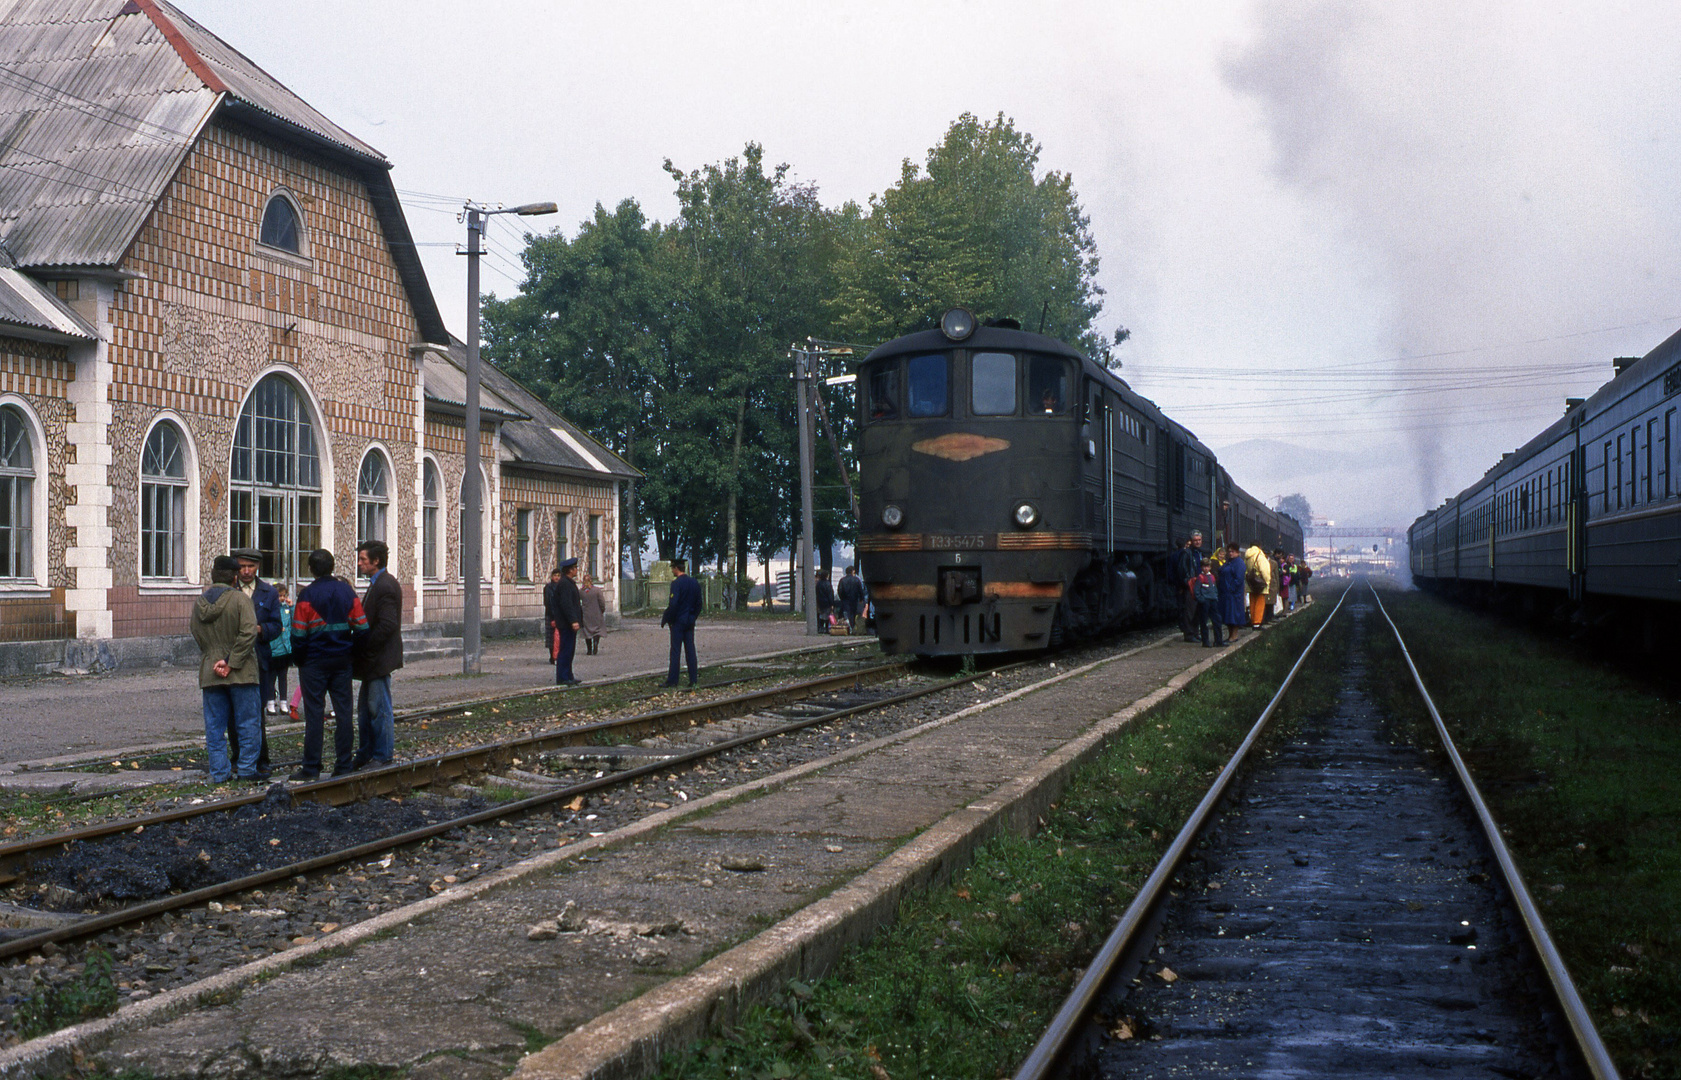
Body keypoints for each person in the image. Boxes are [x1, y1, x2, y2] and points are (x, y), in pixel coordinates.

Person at [289, 548, 367, 781]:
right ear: (333, 567)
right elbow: (362, 627)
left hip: (314, 661)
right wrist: (350, 650)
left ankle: (311, 767)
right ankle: (343, 765)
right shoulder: (347, 591)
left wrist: (300, 659)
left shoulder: (307, 595)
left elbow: (298, 634)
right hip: (342, 660)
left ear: (311, 569)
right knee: (344, 713)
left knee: (314, 715)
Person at [189, 555, 264, 782]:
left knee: (215, 726)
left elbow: (196, 632)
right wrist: (231, 662)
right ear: (235, 577)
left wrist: (216, 657)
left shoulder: (200, 603)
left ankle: (219, 773)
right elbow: (249, 632)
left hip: (211, 671)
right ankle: (247, 770)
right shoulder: (241, 600)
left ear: (213, 576)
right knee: (248, 723)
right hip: (242, 672)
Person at [352, 540, 404, 771]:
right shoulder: (379, 583)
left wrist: (367, 647)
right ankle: (367, 753)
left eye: (363, 559)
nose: (360, 563)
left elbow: (387, 625)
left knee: (378, 708)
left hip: (378, 660)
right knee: (366, 709)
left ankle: (382, 755)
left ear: (376, 561)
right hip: (373, 660)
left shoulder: (385, 586)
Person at [232, 547, 281, 770]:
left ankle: (262, 758)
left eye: (250, 566)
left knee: (256, 710)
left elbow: (277, 626)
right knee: (234, 711)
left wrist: (261, 629)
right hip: (233, 657)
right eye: (242, 566)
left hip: (260, 657)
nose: (246, 571)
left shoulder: (268, 592)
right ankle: (238, 756)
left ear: (258, 567)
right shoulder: (230, 590)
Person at [660, 557, 702, 688]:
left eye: (672, 568)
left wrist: (669, 619)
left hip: (678, 622)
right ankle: (693, 679)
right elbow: (699, 603)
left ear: (676, 568)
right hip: (689, 621)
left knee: (675, 651)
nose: (672, 571)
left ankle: (673, 680)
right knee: (690, 650)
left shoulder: (676, 584)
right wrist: (693, 617)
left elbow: (674, 604)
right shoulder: (694, 582)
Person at [551, 558, 583, 684]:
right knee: (565, 649)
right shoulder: (565, 584)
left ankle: (568, 675)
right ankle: (563, 677)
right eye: (575, 568)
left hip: (567, 623)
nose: (577, 570)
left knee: (570, 650)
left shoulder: (568, 583)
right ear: (570, 570)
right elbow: (567, 604)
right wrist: (573, 620)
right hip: (566, 624)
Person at [1171, 533, 1204, 642]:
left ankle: (1195, 632)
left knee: (1197, 610)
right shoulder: (1187, 553)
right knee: (1190, 610)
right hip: (1191, 585)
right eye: (1195, 540)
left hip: (1199, 584)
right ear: (1191, 541)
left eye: (1199, 540)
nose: (1198, 542)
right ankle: (1189, 634)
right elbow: (1183, 570)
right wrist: (1187, 582)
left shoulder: (1199, 553)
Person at [269, 584, 293, 713]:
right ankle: (270, 702)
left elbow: (294, 622)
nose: (282, 598)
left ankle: (283, 702)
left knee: (283, 677)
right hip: (273, 648)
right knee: (271, 677)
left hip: (285, 648)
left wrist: (292, 607)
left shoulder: (286, 609)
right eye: (279, 596)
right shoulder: (270, 609)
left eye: (284, 595)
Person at [1217, 542, 1249, 641]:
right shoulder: (1228, 562)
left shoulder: (1239, 563)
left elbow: (1239, 579)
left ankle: (1234, 635)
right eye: (1229, 551)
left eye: (1233, 552)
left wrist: (1231, 589)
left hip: (1234, 594)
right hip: (1226, 593)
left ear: (1238, 552)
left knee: (1234, 615)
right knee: (1228, 615)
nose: (1230, 553)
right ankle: (1230, 635)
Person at [1192, 562, 1223, 647]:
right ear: (1201, 567)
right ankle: (1205, 642)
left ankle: (1218, 640)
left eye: (1207, 567)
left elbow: (1214, 588)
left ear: (1210, 567)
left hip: (1212, 600)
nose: (1206, 569)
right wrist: (1201, 599)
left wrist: (1215, 597)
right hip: (1205, 601)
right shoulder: (1200, 577)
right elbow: (1196, 590)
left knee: (1217, 620)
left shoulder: (1212, 577)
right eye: (1204, 567)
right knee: (1204, 622)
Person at [1242, 542, 1271, 630]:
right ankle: (1257, 623)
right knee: (1260, 602)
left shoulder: (1247, 556)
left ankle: (1253, 620)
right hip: (1259, 582)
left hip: (1251, 582)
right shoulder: (1260, 556)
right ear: (1260, 546)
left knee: (1252, 602)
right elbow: (1264, 570)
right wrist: (1267, 581)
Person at [580, 572, 607, 655]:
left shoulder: (581, 592)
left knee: (587, 631)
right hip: (596, 613)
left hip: (586, 614)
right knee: (597, 630)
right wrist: (601, 610)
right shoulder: (597, 591)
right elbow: (602, 602)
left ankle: (589, 649)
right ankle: (595, 644)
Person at [837, 566, 867, 634]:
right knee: (853, 614)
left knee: (846, 614)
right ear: (852, 571)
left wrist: (842, 598)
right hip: (854, 599)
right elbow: (860, 590)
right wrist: (861, 598)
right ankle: (853, 627)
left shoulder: (842, 580)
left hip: (845, 600)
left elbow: (840, 590)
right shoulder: (856, 580)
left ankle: (848, 628)